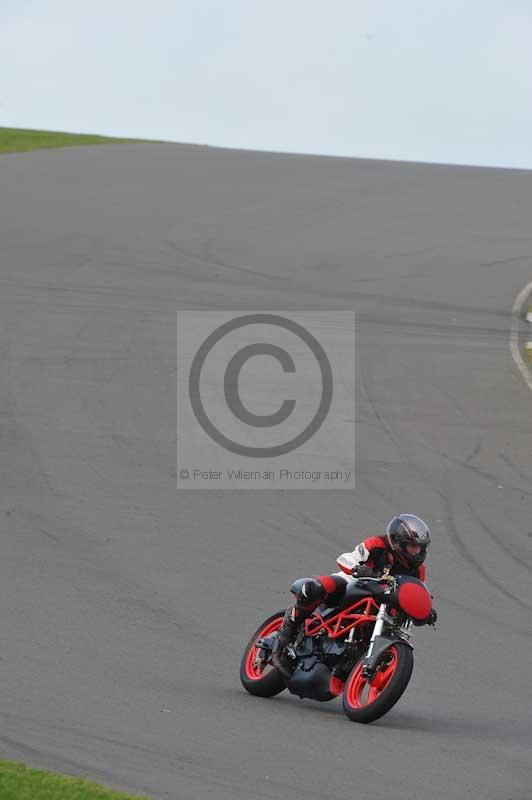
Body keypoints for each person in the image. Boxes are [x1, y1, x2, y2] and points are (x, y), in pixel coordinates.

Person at [272, 514, 437, 677]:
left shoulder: (419, 570)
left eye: (421, 547)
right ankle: (287, 630)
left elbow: (417, 590)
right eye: (412, 546)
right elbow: (345, 558)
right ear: (397, 541)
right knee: (318, 587)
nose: (417, 552)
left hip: (383, 600)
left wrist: (426, 608)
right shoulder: (377, 544)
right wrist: (357, 569)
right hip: (354, 584)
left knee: (393, 624)